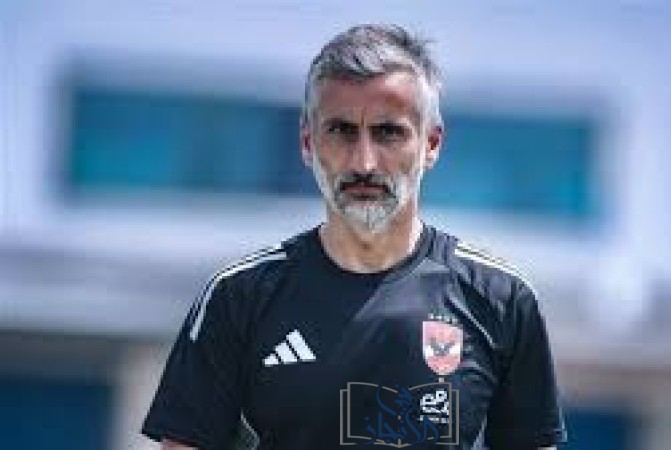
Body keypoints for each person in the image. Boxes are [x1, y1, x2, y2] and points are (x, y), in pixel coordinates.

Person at [142, 23, 567, 449]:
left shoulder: (502, 300)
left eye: (388, 133)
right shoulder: (238, 297)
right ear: (307, 143)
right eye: (341, 131)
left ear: (431, 144)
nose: (364, 162)